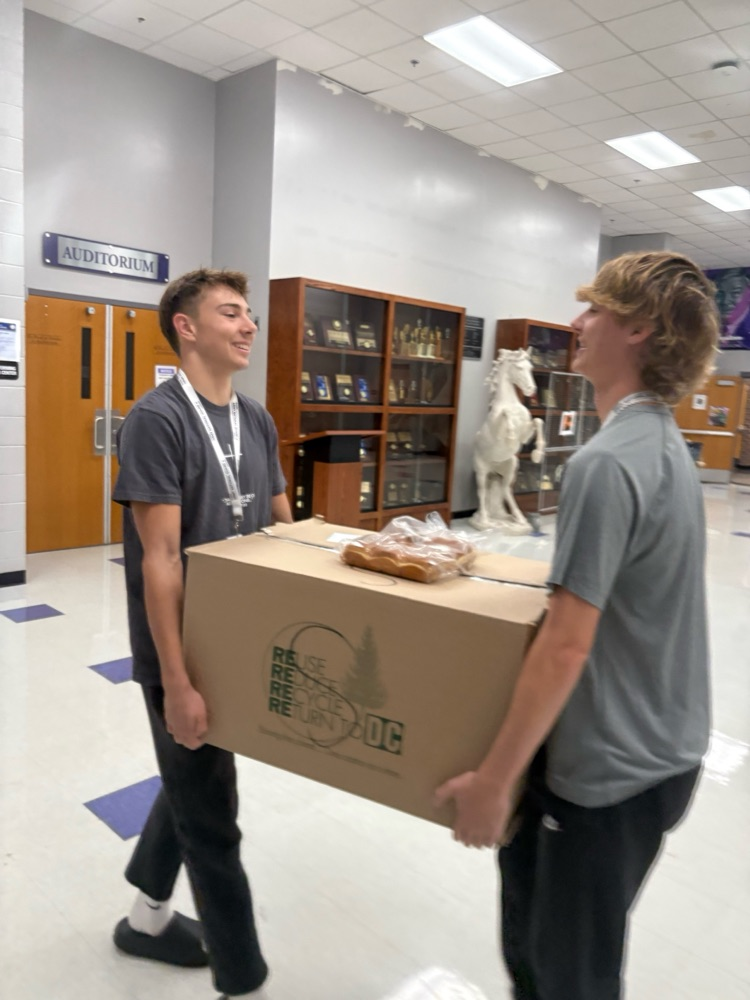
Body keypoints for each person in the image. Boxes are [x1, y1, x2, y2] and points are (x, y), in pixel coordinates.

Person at [436, 251, 720, 1000]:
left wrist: (496, 782)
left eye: (594, 308)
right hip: (665, 750)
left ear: (640, 328)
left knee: (565, 975)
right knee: (543, 953)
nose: (577, 322)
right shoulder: (665, 447)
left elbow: (567, 645)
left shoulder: (607, 463)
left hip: (606, 776)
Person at [112, 267, 292, 999]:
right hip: (180, 652)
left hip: (240, 639)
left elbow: (284, 522)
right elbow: (159, 559)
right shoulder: (157, 421)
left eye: (248, 314)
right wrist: (178, 681)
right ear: (186, 327)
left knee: (195, 777)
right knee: (214, 814)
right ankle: (242, 975)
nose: (249, 325)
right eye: (231, 313)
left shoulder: (255, 419)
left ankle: (143, 918)